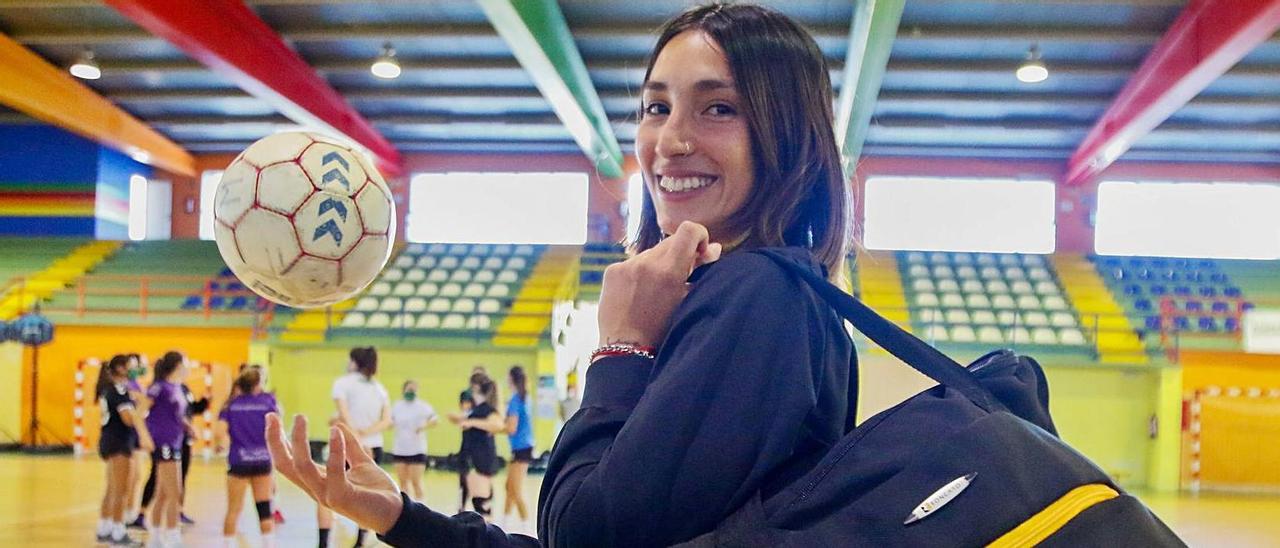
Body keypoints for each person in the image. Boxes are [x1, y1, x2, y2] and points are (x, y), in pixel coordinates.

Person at [266, 3, 853, 546]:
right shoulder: (764, 295)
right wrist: (402, 517)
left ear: (787, 136)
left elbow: (581, 535)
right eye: (656, 107)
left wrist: (621, 348)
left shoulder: (760, 296)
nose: (670, 140)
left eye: (718, 108)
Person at [330, 346, 392, 547]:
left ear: (354, 362)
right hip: (374, 445)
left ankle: (324, 540)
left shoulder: (343, 383)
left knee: (330, 488)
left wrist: (355, 437)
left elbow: (344, 413)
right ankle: (361, 540)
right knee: (368, 496)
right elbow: (386, 421)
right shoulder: (379, 388)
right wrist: (366, 432)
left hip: (350, 446)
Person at [215, 365, 279, 547]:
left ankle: (228, 544)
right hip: (262, 461)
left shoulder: (231, 405)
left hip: (239, 461)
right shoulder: (268, 402)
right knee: (265, 510)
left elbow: (220, 432)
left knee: (233, 510)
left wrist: (222, 444)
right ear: (258, 383)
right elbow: (276, 432)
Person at [96, 354, 154, 546]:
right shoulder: (118, 391)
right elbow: (128, 419)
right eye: (131, 366)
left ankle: (104, 528)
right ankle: (119, 532)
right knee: (122, 490)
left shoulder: (109, 390)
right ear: (121, 369)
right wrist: (143, 408)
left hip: (110, 440)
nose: (135, 370)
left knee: (112, 488)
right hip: (119, 442)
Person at [144, 352, 190, 548]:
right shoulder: (159, 387)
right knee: (175, 491)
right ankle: (172, 535)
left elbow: (176, 413)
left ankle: (154, 536)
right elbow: (139, 413)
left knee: (163, 492)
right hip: (163, 443)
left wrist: (188, 426)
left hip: (176, 441)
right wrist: (145, 437)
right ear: (177, 365)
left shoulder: (177, 387)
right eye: (185, 363)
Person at [389, 380, 438, 502]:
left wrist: (423, 426)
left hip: (417, 449)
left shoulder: (422, 406)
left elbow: (435, 419)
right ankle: (406, 510)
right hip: (400, 448)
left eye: (413, 390)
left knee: (416, 481)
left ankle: (421, 510)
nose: (411, 392)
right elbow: (389, 421)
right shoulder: (397, 406)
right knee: (403, 482)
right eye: (408, 389)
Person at [502, 366, 534, 531]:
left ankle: (526, 526)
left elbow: (511, 427)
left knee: (515, 489)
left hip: (522, 449)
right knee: (509, 486)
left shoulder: (516, 399)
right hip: (521, 447)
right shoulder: (524, 397)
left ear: (512, 379)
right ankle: (505, 521)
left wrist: (493, 427)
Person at [454, 389, 474, 514]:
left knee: (476, 482)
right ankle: (461, 508)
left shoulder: (476, 415)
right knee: (463, 481)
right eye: (464, 402)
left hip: (476, 452)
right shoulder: (465, 415)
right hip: (465, 450)